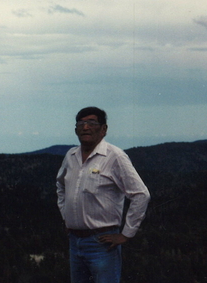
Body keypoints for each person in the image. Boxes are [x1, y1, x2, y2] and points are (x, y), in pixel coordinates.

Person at [56, 107, 150, 283]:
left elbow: (141, 194)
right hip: (75, 242)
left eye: (92, 123)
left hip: (102, 243)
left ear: (104, 129)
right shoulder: (71, 155)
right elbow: (60, 185)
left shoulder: (115, 157)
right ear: (75, 129)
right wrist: (66, 215)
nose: (85, 127)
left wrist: (126, 234)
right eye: (81, 123)